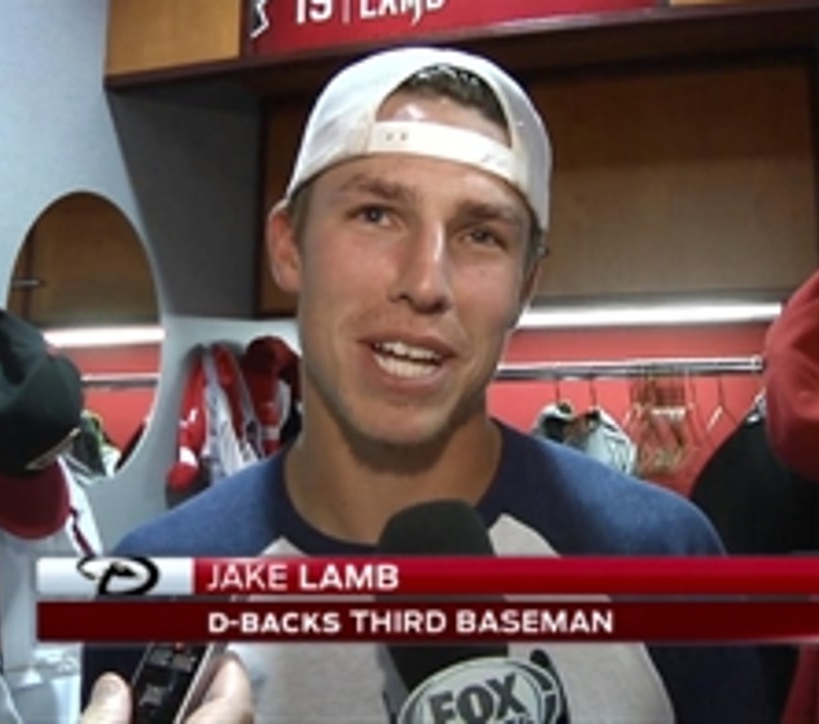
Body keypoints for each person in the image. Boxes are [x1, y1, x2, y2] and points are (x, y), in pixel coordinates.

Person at [83, 45, 767, 722]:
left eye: (481, 235)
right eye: (377, 214)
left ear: (525, 287)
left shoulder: (663, 560)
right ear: (290, 246)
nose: (425, 282)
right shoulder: (159, 580)